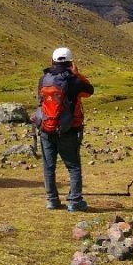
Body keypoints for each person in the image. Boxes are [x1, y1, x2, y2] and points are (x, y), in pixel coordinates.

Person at [34, 47, 94, 211]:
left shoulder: (44, 79)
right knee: (73, 166)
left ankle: (52, 200)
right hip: (69, 129)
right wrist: (77, 74)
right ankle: (75, 202)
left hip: (46, 128)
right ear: (71, 62)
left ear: (52, 61)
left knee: (48, 166)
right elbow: (90, 90)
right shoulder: (74, 81)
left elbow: (40, 101)